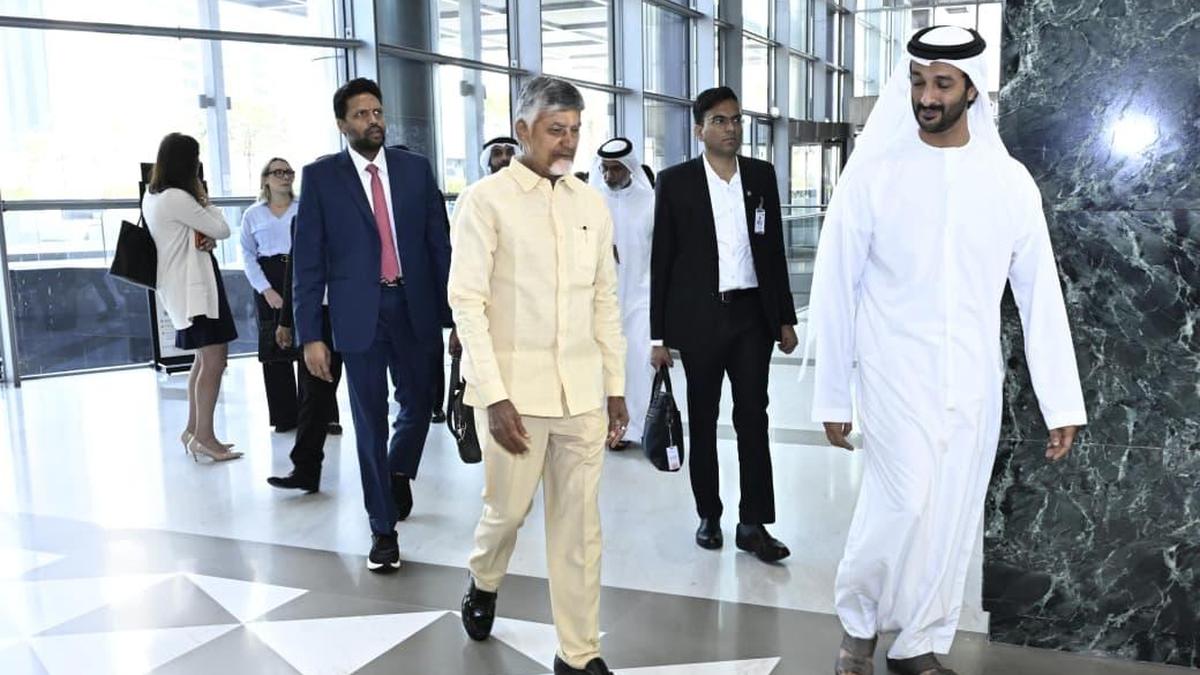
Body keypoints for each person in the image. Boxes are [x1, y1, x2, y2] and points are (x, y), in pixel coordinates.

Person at [805, 27, 1087, 675]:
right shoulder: (874, 175)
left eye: (941, 84)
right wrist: (833, 393)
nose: (926, 97)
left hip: (973, 379)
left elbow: (1040, 293)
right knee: (900, 503)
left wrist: (1061, 401)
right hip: (892, 372)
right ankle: (859, 624)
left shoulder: (1008, 181)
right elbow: (836, 286)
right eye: (917, 82)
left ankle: (919, 642)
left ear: (972, 90)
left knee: (953, 514)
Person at [451, 76, 627, 675]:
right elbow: (467, 303)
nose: (568, 142)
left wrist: (615, 386)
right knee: (507, 513)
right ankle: (484, 577)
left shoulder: (590, 203)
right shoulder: (485, 201)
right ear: (523, 129)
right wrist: (493, 394)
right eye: (556, 130)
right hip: (514, 396)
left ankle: (578, 653)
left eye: (575, 130)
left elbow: (604, 299)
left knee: (580, 529)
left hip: (581, 394)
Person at [292, 78, 455, 572]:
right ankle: (382, 529)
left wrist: (457, 316)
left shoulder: (414, 170)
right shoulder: (322, 179)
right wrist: (310, 335)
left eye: (378, 112)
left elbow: (439, 245)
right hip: (358, 315)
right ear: (342, 124)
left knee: (421, 402)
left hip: (414, 305)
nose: (373, 121)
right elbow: (307, 264)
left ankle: (397, 470)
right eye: (362, 114)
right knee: (369, 420)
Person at [650, 87, 798, 563]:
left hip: (752, 317)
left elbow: (773, 252)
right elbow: (662, 261)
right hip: (701, 319)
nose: (731, 128)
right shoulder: (676, 182)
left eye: (736, 120)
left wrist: (785, 318)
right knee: (704, 419)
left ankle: (753, 523)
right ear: (700, 130)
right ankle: (708, 514)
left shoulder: (760, 175)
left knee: (754, 418)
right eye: (719, 121)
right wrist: (658, 336)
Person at [143, 132, 241, 463]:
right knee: (215, 360)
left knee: (202, 359)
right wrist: (204, 198)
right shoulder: (177, 198)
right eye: (196, 159)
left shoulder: (153, 196)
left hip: (183, 288)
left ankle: (193, 430)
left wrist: (204, 236)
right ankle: (205, 437)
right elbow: (222, 229)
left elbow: (191, 235)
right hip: (194, 290)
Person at [266, 217, 343, 494]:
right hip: (318, 317)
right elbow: (295, 274)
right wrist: (286, 321)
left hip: (360, 311)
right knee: (313, 394)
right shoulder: (303, 220)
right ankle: (305, 470)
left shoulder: (360, 212)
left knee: (370, 396)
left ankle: (388, 473)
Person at [588, 137, 655, 449]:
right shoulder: (591, 201)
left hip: (640, 298)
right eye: (604, 168)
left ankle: (633, 429)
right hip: (601, 301)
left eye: (615, 169)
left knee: (638, 365)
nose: (608, 175)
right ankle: (606, 428)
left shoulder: (649, 202)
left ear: (629, 168)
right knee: (602, 366)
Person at [239, 157, 300, 433]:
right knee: (275, 349)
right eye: (278, 172)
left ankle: (319, 416)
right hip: (268, 279)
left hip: (299, 274)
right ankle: (285, 417)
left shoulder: (303, 208)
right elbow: (247, 255)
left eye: (288, 172)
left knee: (310, 343)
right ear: (265, 179)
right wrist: (266, 290)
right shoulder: (253, 214)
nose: (285, 176)